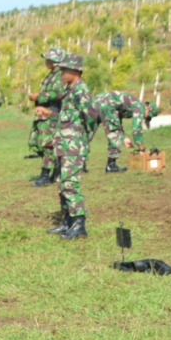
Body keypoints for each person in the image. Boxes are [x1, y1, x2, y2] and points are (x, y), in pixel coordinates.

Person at [48, 53, 99, 240]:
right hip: (65, 145)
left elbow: (92, 116)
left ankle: (79, 224)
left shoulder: (81, 90)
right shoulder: (71, 89)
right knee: (62, 184)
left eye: (64, 70)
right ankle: (67, 222)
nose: (61, 73)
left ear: (75, 71)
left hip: (73, 146)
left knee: (70, 184)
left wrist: (82, 138)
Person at [29, 47, 67, 186]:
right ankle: (56, 169)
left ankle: (45, 175)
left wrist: (39, 96)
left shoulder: (60, 76)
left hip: (52, 113)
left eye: (48, 59)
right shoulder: (52, 75)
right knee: (37, 143)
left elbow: (58, 94)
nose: (46, 61)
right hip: (43, 114)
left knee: (47, 145)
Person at [93, 90, 146, 172]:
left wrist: (124, 137)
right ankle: (111, 165)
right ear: (148, 108)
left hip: (95, 101)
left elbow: (117, 121)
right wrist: (141, 148)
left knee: (86, 133)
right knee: (114, 134)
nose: (146, 118)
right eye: (148, 117)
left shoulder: (129, 102)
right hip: (108, 104)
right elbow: (136, 129)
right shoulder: (140, 106)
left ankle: (80, 165)